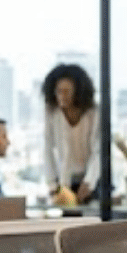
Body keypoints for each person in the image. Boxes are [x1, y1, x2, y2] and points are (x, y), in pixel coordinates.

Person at [42, 64, 100, 204]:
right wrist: (52, 183)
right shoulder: (52, 112)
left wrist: (89, 182)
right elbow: (47, 148)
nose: (62, 96)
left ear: (78, 92)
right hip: (65, 181)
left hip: (93, 178)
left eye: (67, 91)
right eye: (59, 91)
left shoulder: (93, 113)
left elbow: (98, 150)